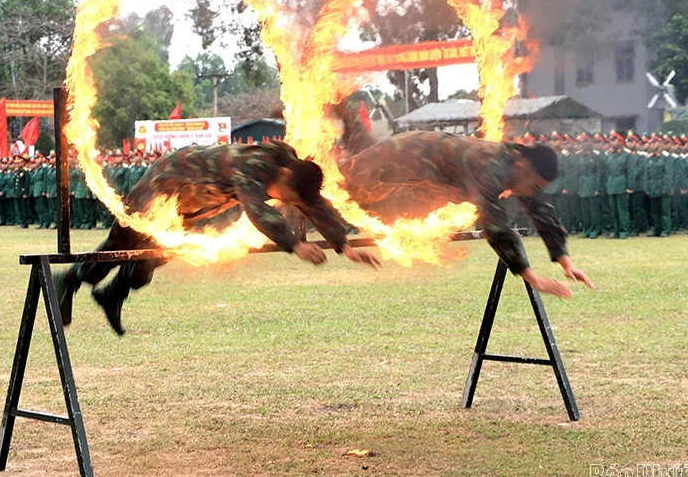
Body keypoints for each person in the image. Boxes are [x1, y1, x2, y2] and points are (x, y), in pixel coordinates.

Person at [54, 141, 382, 335]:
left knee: (153, 258)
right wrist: (294, 243)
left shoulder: (290, 169)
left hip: (192, 201)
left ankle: (111, 294)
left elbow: (311, 201)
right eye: (284, 193)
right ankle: (68, 279)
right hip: (167, 183)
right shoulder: (254, 165)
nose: (282, 199)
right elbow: (255, 207)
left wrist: (345, 246)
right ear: (281, 175)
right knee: (122, 244)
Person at [337, 130, 595, 300]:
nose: (533, 192)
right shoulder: (490, 165)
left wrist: (566, 262)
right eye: (535, 186)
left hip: (415, 180)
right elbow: (495, 225)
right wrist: (534, 278)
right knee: (331, 187)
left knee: (337, 195)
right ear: (521, 165)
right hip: (393, 161)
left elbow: (539, 208)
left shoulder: (515, 167)